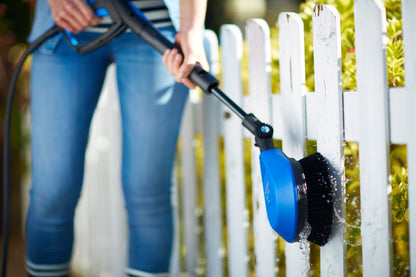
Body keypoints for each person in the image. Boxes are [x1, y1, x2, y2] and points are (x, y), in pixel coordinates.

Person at [25, 0, 208, 276]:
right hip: (66, 23)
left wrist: (192, 29)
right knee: (53, 192)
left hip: (155, 25)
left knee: (147, 190)